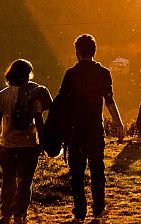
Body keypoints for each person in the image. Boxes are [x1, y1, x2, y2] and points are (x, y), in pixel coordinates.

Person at [59, 34, 124, 222]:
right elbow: (109, 101)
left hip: (75, 131)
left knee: (77, 172)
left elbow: (63, 102)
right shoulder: (103, 72)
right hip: (95, 129)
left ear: (77, 52)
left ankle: (79, 210)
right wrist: (118, 124)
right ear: (94, 51)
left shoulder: (71, 74)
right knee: (97, 169)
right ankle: (98, 207)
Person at [0, 59, 52, 224]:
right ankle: (20, 216)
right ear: (28, 75)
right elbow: (39, 120)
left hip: (7, 144)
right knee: (25, 182)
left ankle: (5, 215)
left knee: (8, 180)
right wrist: (43, 141)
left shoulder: (3, 94)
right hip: (29, 145)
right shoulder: (33, 94)